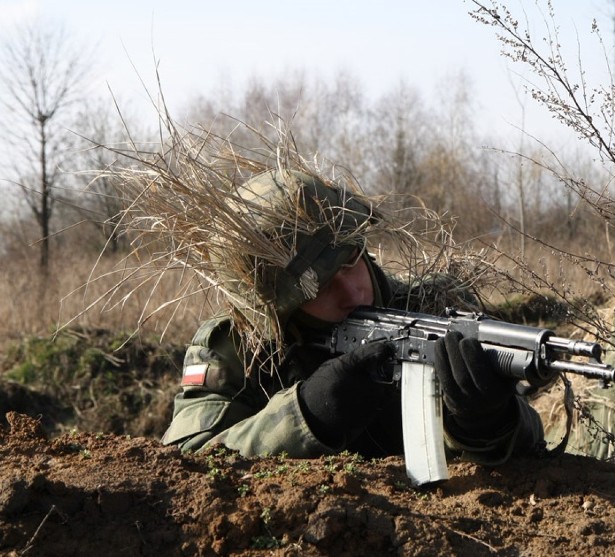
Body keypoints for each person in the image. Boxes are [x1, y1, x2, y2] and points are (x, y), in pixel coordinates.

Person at [161, 168, 544, 465]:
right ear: (277, 310)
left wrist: (489, 424)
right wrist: (307, 415)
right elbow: (182, 460)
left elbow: (533, 445)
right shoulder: (238, 347)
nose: (352, 292)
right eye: (318, 289)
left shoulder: (431, 311)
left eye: (350, 261)